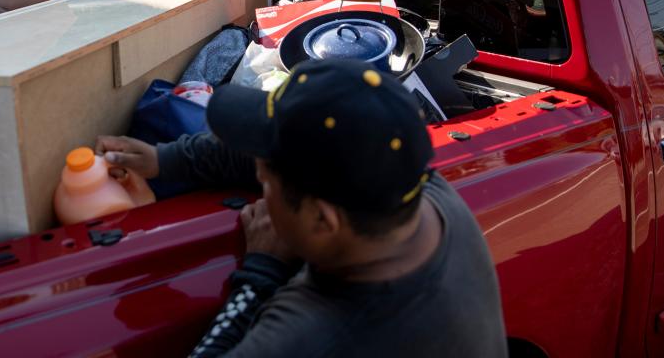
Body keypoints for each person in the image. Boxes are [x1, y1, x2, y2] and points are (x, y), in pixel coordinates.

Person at [96, 58, 507, 357]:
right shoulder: (415, 190)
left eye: (267, 183)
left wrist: (260, 274)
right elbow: (283, 150)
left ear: (321, 219)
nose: (260, 180)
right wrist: (165, 159)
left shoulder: (320, 333)